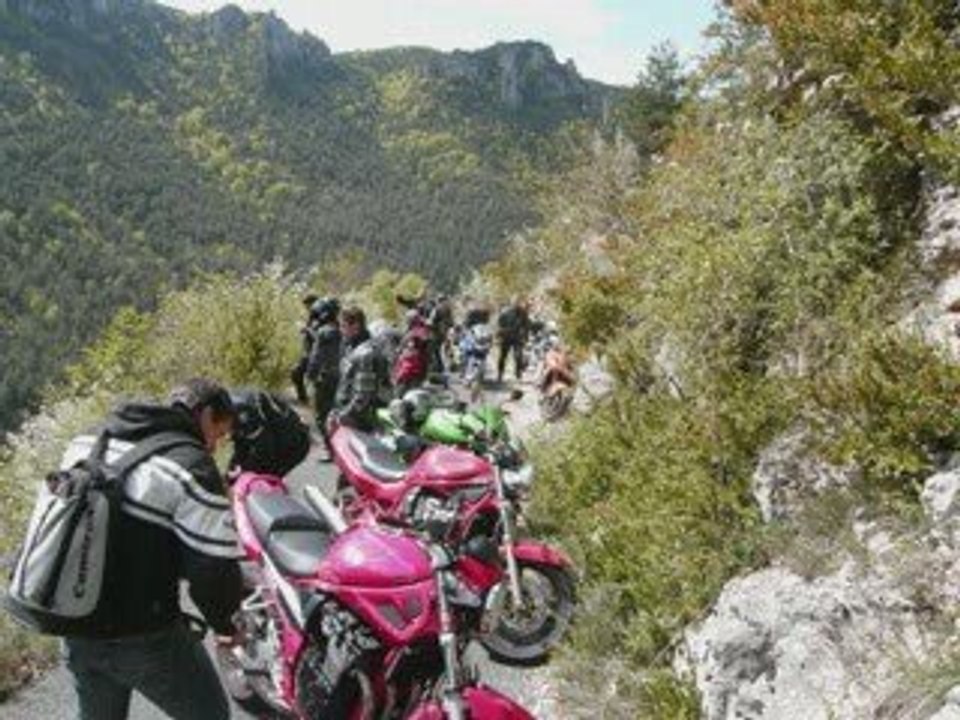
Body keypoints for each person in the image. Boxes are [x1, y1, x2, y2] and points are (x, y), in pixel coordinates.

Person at [60, 378, 243, 720]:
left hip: (73, 621)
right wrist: (227, 627)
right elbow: (212, 572)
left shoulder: (89, 439)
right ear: (205, 415)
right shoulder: (191, 466)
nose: (215, 446)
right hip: (144, 634)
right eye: (218, 434)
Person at [330, 306, 391, 432]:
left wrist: (342, 416)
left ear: (356, 326)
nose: (341, 330)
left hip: (360, 422)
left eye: (343, 326)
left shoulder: (366, 353)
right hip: (349, 414)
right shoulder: (352, 348)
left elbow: (363, 396)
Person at [305, 296, 341, 458]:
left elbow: (316, 357)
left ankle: (330, 449)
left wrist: (310, 376)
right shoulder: (342, 328)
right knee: (339, 413)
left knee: (322, 415)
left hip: (326, 378)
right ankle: (341, 448)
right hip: (342, 378)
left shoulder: (323, 332)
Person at [291, 293, 320, 403]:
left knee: (297, 373)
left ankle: (305, 399)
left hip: (315, 352)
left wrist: (305, 329)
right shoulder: (313, 315)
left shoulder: (320, 316)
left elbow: (318, 336)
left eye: (308, 305)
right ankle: (304, 398)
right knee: (297, 373)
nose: (307, 308)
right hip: (309, 351)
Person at [496, 298, 531, 384]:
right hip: (506, 337)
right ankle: (500, 374)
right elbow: (500, 324)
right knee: (503, 356)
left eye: (519, 303)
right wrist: (499, 335)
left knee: (518, 357)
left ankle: (518, 375)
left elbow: (526, 327)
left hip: (517, 338)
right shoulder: (506, 313)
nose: (519, 305)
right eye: (516, 303)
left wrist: (526, 338)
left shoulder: (523, 314)